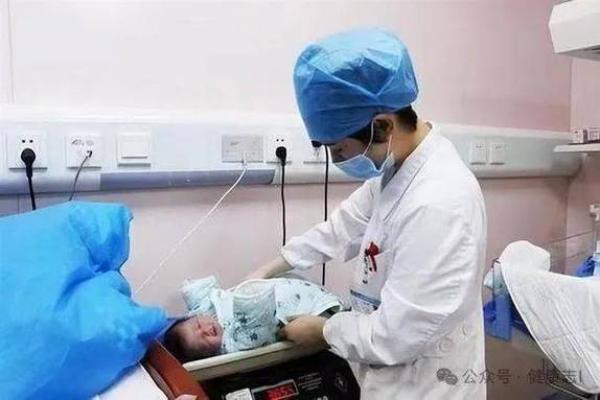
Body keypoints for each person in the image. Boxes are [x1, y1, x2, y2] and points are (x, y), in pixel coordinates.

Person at [246, 28, 487, 399]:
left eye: (340, 150)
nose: (337, 161)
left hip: (427, 387)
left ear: (383, 125)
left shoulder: (440, 202)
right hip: (386, 379)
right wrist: (265, 270)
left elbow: (396, 335)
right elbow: (340, 229)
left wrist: (324, 331)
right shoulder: (397, 172)